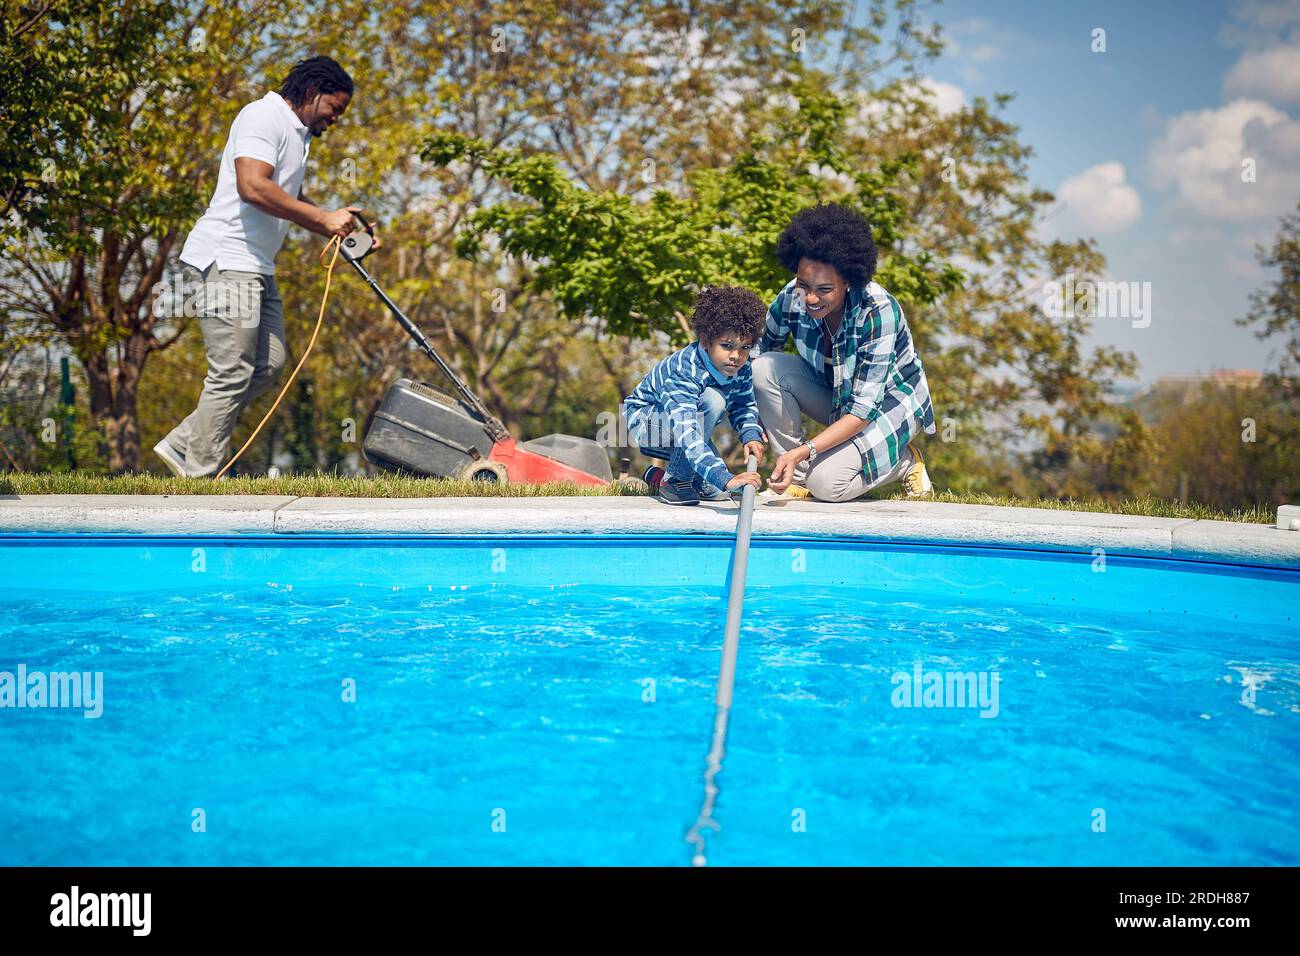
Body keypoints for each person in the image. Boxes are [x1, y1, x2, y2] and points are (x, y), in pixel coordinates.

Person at [154, 55, 376, 478]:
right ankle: (201, 476)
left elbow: (288, 196)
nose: (335, 120)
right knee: (232, 370)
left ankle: (184, 443)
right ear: (313, 93)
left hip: (258, 265)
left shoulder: (297, 134)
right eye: (335, 109)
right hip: (227, 258)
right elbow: (253, 187)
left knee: (269, 364)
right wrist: (322, 219)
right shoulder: (262, 116)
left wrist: (341, 226)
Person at [752, 203, 935, 502]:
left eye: (824, 289)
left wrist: (805, 451)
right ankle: (795, 479)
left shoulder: (878, 311)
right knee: (762, 368)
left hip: (887, 406)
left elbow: (864, 411)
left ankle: (904, 461)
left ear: (848, 281)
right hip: (838, 397)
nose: (810, 297)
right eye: (803, 284)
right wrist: (750, 420)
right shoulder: (791, 296)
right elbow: (759, 353)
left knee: (826, 484)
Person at [623, 286, 767, 506]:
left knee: (715, 492)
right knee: (713, 400)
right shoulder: (685, 372)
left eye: (745, 347)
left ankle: (659, 477)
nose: (736, 356)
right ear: (706, 340)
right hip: (648, 423)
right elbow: (688, 433)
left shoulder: (742, 368)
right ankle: (675, 481)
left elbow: (744, 405)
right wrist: (724, 478)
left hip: (686, 423)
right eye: (727, 346)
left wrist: (750, 434)